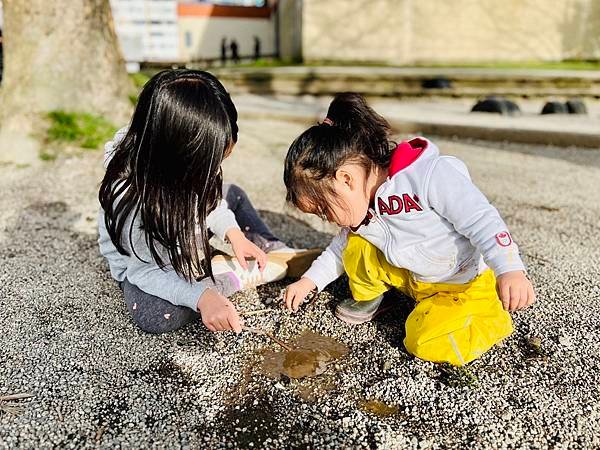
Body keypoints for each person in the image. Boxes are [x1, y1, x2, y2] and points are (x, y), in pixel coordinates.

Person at [282, 93, 536, 366]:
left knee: (423, 342)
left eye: (323, 209)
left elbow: (482, 220)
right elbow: (338, 250)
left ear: (345, 179)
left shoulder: (427, 177)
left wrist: (510, 270)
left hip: (460, 284)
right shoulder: (362, 208)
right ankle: (372, 299)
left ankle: (489, 315)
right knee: (354, 244)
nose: (326, 218)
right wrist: (309, 281)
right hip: (414, 278)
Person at [99, 69, 315, 335]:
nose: (214, 171)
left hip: (185, 233)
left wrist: (234, 235)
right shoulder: (131, 197)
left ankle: (270, 248)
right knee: (158, 316)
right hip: (143, 267)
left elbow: (211, 203)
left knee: (232, 193)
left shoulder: (180, 163)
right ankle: (234, 277)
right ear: (180, 156)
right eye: (210, 164)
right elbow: (144, 272)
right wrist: (203, 298)